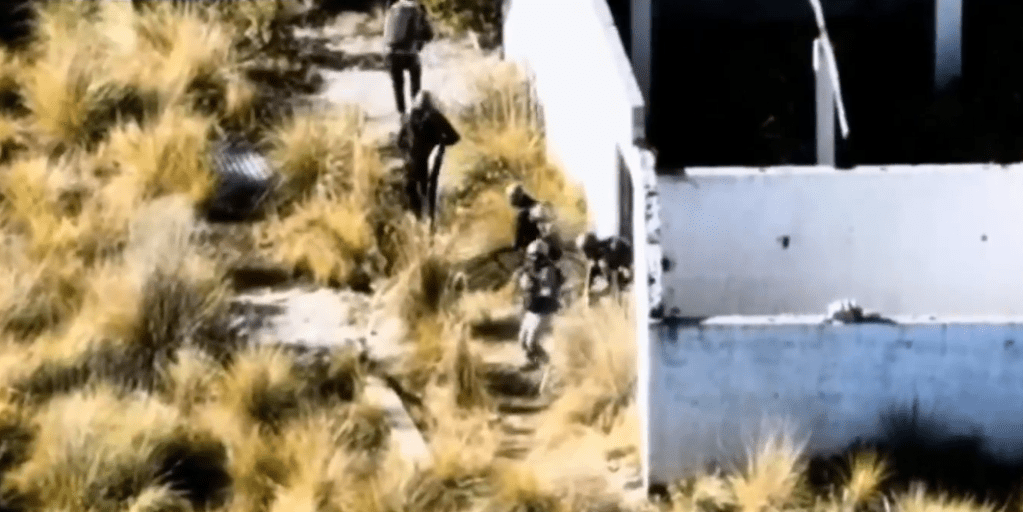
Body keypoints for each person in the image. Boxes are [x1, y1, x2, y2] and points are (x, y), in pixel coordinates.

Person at [397, 90, 460, 221]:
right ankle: (429, 222)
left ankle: (419, 220)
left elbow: (400, 142)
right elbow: (454, 137)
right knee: (429, 193)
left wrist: (408, 152)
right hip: (430, 159)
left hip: (413, 161)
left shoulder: (410, 118)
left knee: (413, 190)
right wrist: (438, 142)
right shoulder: (435, 115)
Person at [515, 239, 564, 369]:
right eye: (531, 256)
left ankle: (548, 363)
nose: (533, 259)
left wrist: (533, 287)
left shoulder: (548, 270)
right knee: (522, 340)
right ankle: (533, 362)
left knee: (531, 342)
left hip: (544, 310)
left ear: (543, 256)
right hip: (534, 308)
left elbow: (548, 292)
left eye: (536, 256)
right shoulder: (532, 269)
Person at [383, 0, 433, 116]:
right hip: (409, 54)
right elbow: (428, 34)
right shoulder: (417, 9)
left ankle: (401, 114)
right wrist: (420, 43)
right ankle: (416, 110)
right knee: (415, 81)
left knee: (398, 85)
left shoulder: (393, 9)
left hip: (390, 53)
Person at [576, 232, 633, 297]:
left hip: (623, 265)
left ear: (590, 250)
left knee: (603, 266)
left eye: (585, 253)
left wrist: (597, 295)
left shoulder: (607, 255)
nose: (585, 256)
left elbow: (614, 286)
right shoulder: (601, 250)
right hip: (621, 262)